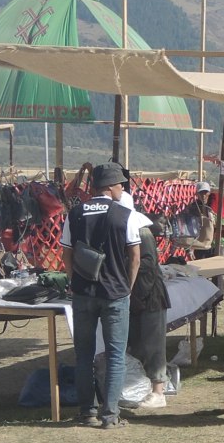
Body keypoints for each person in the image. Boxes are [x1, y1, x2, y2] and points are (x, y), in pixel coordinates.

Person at [61, 163, 143, 428]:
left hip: (83, 293)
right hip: (115, 292)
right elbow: (135, 257)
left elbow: (66, 253)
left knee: (83, 355)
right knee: (115, 355)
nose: (123, 189)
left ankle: (87, 412)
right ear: (110, 186)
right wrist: (127, 287)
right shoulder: (125, 215)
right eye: (120, 185)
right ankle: (110, 415)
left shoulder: (75, 213)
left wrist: (74, 281)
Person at [126, 204, 171, 410]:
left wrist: (123, 262)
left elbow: (148, 265)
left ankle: (158, 391)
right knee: (135, 345)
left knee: (153, 345)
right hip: (134, 295)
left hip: (150, 296)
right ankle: (140, 387)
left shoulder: (142, 232)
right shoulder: (123, 229)